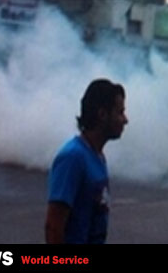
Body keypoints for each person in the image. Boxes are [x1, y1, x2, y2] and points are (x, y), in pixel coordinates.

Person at [45, 79, 128, 244]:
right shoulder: (73, 158)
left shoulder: (97, 156)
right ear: (102, 114)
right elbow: (53, 226)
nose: (125, 120)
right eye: (120, 112)